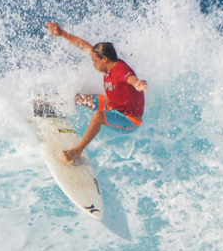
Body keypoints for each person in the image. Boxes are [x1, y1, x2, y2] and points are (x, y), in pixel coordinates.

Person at [45, 22, 147, 164]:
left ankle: (77, 151)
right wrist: (63, 33)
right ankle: (51, 108)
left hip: (129, 120)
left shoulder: (120, 71)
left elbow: (131, 79)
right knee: (79, 98)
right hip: (114, 106)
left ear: (104, 59)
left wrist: (139, 84)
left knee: (98, 116)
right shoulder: (108, 65)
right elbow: (85, 46)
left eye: (95, 60)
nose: (93, 63)